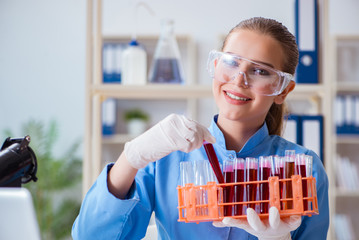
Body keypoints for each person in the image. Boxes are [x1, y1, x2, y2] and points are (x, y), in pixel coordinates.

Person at [72, 17, 329, 240]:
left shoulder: (303, 169)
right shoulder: (167, 155)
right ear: (216, 67)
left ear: (282, 90)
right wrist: (130, 158)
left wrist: (278, 239)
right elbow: (90, 236)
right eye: (231, 62)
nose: (239, 79)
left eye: (260, 71)